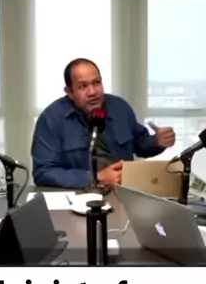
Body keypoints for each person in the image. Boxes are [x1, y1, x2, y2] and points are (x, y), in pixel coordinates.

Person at [31, 58, 175, 188]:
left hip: (123, 193)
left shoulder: (120, 108)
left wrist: (157, 141)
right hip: (79, 196)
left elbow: (140, 144)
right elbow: (43, 172)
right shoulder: (51, 119)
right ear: (69, 92)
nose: (92, 92)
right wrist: (96, 177)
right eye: (83, 86)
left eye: (96, 82)